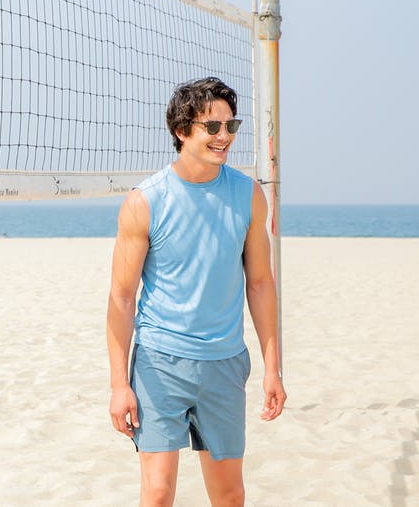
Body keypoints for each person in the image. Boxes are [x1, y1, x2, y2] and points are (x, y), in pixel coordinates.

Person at [106, 76, 285, 506]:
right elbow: (122, 297)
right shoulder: (144, 201)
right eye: (213, 127)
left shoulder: (248, 195)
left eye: (231, 126)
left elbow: (260, 283)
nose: (225, 137)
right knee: (158, 493)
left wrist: (273, 368)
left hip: (223, 364)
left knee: (229, 496)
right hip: (158, 363)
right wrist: (118, 385)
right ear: (181, 131)